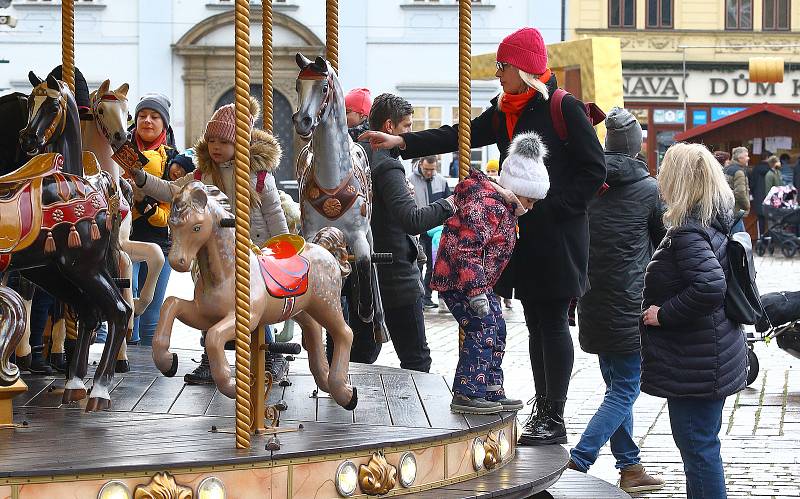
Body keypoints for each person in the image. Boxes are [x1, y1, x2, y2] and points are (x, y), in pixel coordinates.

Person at [360, 27, 606, 444]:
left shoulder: (563, 108)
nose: (497, 73)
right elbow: (459, 133)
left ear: (524, 68)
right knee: (533, 320)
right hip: (520, 234)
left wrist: (546, 207)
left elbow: (594, 171)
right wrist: (402, 141)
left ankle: (554, 415)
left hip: (559, 236)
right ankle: (542, 408)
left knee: (552, 321)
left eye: (503, 66)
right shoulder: (506, 108)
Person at [130, 96, 288, 383]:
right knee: (207, 298)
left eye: (224, 142)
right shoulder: (201, 175)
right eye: (212, 141)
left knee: (256, 305)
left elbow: (274, 213)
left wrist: (280, 248)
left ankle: (271, 355)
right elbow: (171, 191)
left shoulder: (258, 176)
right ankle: (209, 357)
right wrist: (141, 179)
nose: (216, 147)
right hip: (214, 252)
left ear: (239, 143)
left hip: (253, 251)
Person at [641, 142, 747, 499]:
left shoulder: (687, 231)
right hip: (711, 353)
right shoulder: (712, 221)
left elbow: (709, 285)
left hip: (695, 361)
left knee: (698, 449)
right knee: (703, 446)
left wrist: (663, 314)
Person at [568, 108, 665, 493]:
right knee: (625, 388)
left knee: (616, 386)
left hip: (592, 299)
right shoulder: (649, 190)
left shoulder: (590, 183)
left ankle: (630, 467)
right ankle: (580, 459)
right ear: (637, 146)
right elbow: (662, 244)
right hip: (630, 303)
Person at [435, 132, 548, 414]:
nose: (531, 207)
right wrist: (476, 292)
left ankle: (490, 387)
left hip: (477, 283)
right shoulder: (489, 207)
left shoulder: (504, 208)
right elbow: (467, 249)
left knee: (498, 327)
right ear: (518, 187)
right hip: (461, 280)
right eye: (530, 200)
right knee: (483, 326)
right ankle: (467, 391)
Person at [354, 93, 455, 372]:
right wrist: (449, 204)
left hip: (367, 276)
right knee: (416, 359)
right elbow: (411, 219)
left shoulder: (363, 156)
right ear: (389, 127)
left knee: (360, 356)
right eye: (407, 127)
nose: (410, 134)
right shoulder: (387, 165)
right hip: (394, 274)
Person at [129, 93, 178, 346]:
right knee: (128, 300)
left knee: (151, 311)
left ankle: (148, 371)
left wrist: (143, 203)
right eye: (142, 116)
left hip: (160, 240)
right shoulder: (122, 153)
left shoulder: (174, 160)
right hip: (125, 239)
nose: (147, 120)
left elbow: (172, 208)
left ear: (164, 123)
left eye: (154, 116)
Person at [408, 155, 451, 309]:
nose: (429, 173)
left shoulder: (441, 181)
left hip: (437, 230)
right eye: (427, 169)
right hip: (418, 228)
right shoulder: (410, 180)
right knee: (418, 264)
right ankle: (420, 297)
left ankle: (429, 296)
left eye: (432, 170)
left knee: (436, 264)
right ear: (421, 165)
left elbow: (448, 203)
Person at [725, 146, 751, 234]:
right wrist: (747, 206)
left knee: (740, 239)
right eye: (746, 156)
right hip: (736, 211)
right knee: (738, 240)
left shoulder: (727, 169)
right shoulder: (739, 172)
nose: (748, 158)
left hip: (728, 209)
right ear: (740, 158)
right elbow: (740, 192)